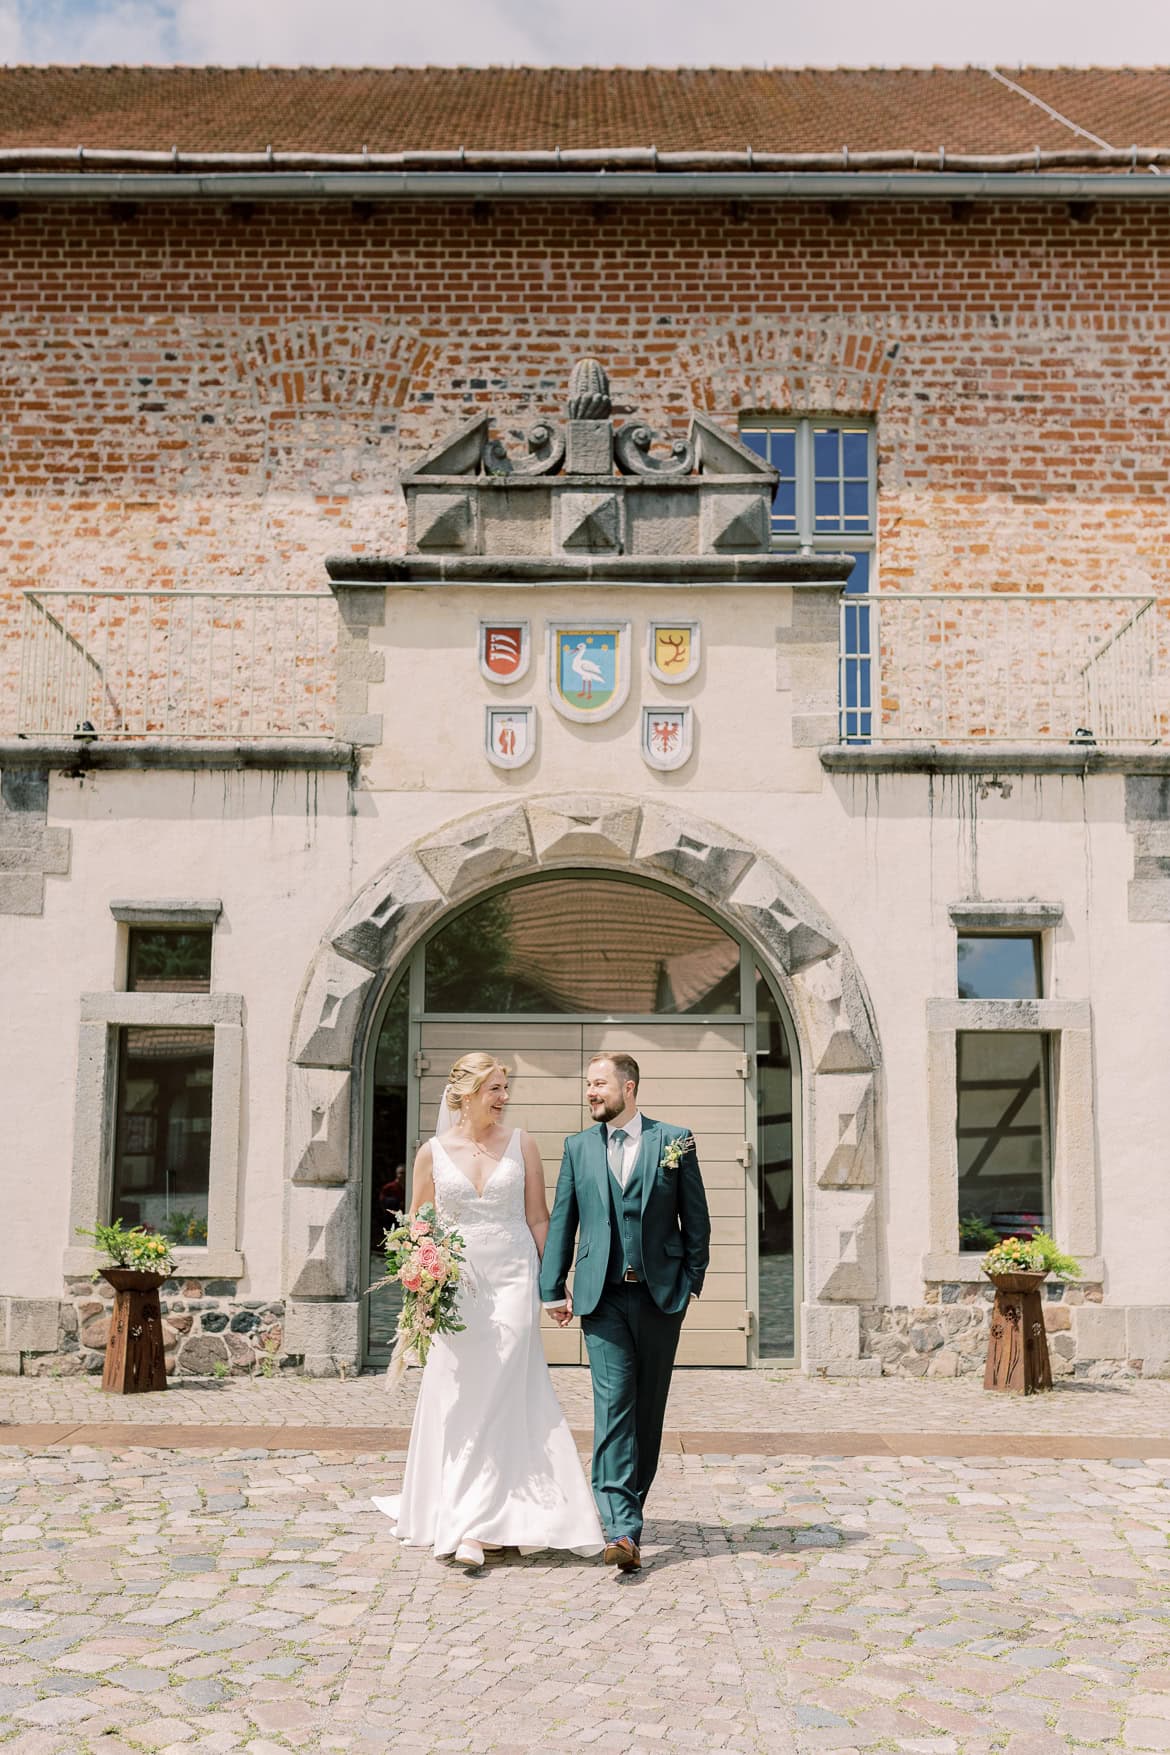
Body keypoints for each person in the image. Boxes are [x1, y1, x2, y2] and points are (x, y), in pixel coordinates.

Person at [372, 1051, 603, 1569]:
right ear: (467, 1092)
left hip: (514, 1280)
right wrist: (420, 1286)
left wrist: (554, 1287)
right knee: (464, 1395)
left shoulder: (523, 1144)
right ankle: (479, 1515)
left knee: (505, 1389)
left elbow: (539, 1220)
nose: (504, 1097)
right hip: (458, 1289)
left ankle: (485, 1520)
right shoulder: (432, 1152)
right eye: (496, 1088)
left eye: (505, 1087)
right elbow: (418, 1226)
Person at [540, 1052, 711, 1574]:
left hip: (661, 1297)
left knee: (648, 1411)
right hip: (603, 1297)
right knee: (613, 1405)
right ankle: (621, 1527)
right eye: (587, 1084)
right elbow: (564, 1220)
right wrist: (553, 1287)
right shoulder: (577, 1149)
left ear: (628, 1087)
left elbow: (696, 1218)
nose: (591, 1093)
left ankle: (627, 1514)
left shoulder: (674, 1140)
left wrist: (690, 1284)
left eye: (599, 1084)